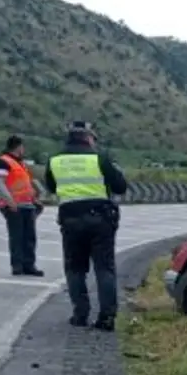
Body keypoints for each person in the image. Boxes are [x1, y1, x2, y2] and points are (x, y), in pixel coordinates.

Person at [44, 121, 129, 331]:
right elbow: (120, 186)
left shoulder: (55, 161)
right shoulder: (100, 159)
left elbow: (52, 186)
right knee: (104, 268)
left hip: (70, 219)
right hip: (100, 219)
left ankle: (80, 314)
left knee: (75, 269)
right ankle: (107, 317)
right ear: (88, 138)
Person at [0, 135, 44, 277]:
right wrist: (9, 201)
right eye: (22, 147)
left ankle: (29, 265)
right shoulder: (3, 162)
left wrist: (34, 200)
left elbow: (25, 184)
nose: (23, 150)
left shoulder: (21, 164)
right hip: (14, 206)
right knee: (17, 237)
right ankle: (17, 266)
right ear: (18, 147)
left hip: (27, 205)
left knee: (29, 238)